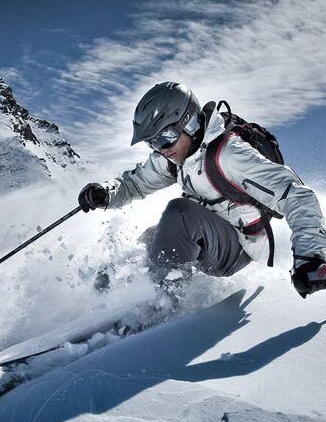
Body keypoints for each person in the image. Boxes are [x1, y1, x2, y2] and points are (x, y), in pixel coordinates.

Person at [78, 82, 326, 299]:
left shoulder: (230, 154)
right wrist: (107, 193)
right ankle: (104, 301)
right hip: (206, 236)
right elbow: (136, 182)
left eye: (165, 138)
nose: (161, 148)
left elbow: (295, 194)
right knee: (148, 241)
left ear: (190, 123)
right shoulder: (175, 156)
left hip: (236, 247)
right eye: (153, 142)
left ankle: (159, 303)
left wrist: (310, 255)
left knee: (179, 213)